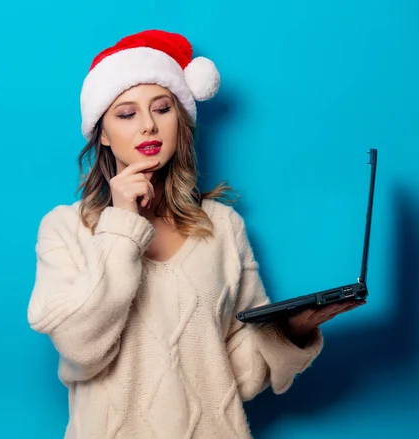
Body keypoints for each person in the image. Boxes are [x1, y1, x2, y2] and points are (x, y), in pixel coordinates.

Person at [27, 29, 364, 439]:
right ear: (102, 133)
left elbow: (233, 378)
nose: (148, 125)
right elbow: (81, 349)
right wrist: (120, 225)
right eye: (126, 113)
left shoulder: (222, 227)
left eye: (162, 107)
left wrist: (290, 332)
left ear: (181, 118)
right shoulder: (64, 229)